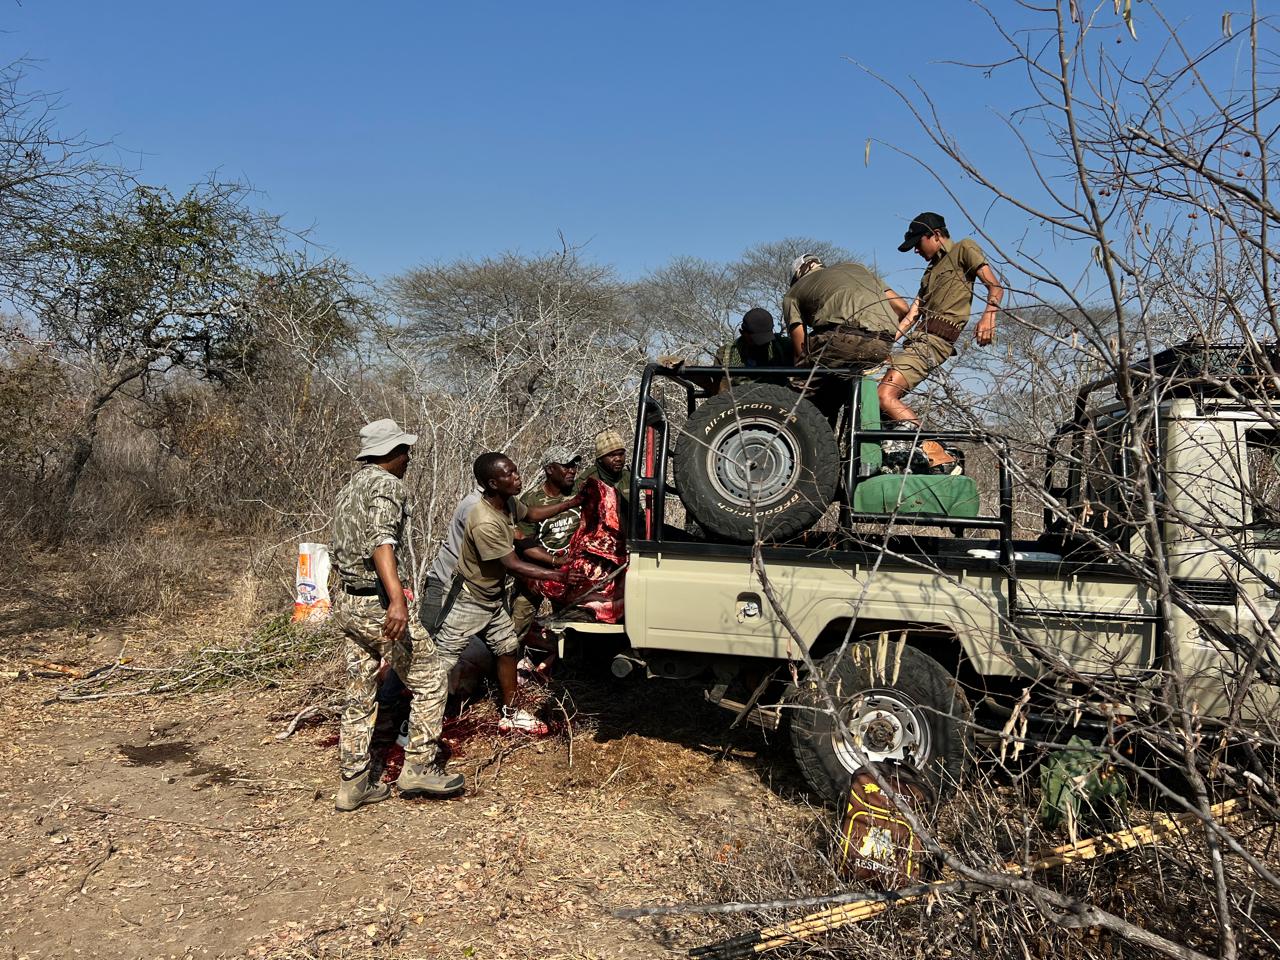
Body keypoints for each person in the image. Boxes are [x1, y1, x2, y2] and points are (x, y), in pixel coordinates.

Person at [330, 418, 462, 812]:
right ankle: (418, 767)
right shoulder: (388, 486)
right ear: (389, 453)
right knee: (432, 677)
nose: (408, 457)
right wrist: (397, 600)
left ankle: (353, 783)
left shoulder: (350, 487)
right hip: (375, 603)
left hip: (347, 603)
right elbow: (381, 543)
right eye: (404, 450)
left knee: (359, 691)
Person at [431, 452, 580, 735]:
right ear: (492, 483)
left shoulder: (508, 502)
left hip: (490, 598)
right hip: (468, 599)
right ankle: (415, 719)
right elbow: (513, 564)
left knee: (508, 647)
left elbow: (532, 513)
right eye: (509, 474)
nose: (517, 477)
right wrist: (558, 574)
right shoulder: (484, 520)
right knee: (442, 662)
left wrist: (570, 503)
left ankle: (511, 712)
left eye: (516, 470)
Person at [881, 211, 1003, 430]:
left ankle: (934, 454)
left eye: (918, 243)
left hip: (935, 342)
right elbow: (911, 315)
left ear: (935, 235)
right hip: (916, 341)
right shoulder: (929, 272)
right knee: (873, 400)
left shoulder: (964, 248)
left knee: (884, 395)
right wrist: (885, 343)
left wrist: (989, 317)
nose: (916, 250)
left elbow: (995, 287)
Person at [511, 445, 583, 644]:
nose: (572, 470)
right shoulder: (531, 500)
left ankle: (563, 671)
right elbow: (522, 543)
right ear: (550, 469)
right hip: (537, 572)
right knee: (516, 629)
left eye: (574, 465)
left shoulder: (580, 492)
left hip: (572, 573)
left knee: (574, 628)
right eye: (566, 466)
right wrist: (535, 575)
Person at [782, 255, 901, 369]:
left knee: (800, 380)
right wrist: (882, 338)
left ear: (797, 275)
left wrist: (801, 371)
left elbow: (800, 350)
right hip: (884, 344)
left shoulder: (792, 292)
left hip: (843, 341)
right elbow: (902, 308)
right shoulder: (858, 268)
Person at [714, 308, 795, 388]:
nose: (762, 344)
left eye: (765, 338)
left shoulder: (783, 347)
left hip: (777, 398)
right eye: (756, 339)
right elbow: (719, 388)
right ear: (742, 333)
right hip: (739, 399)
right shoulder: (726, 355)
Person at [578, 429, 630, 508]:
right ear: (600, 459)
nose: (618, 459)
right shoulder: (588, 480)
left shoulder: (629, 477)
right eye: (612, 455)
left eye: (621, 454)